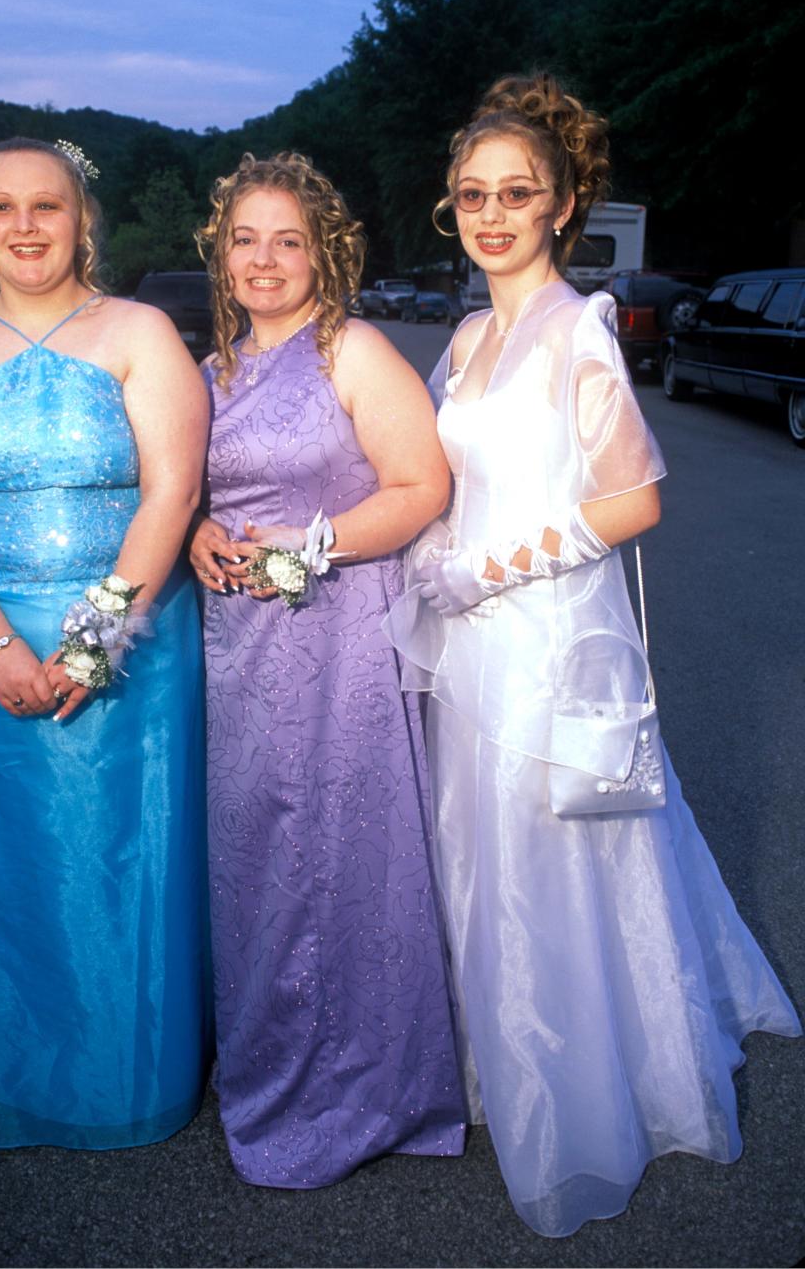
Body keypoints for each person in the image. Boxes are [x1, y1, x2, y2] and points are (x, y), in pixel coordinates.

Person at [386, 74, 802, 1236]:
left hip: (548, 634)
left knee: (554, 854)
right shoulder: (467, 333)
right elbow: (439, 471)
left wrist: (486, 567)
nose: (493, 213)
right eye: (473, 193)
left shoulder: (581, 326)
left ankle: (578, 1084)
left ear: (566, 205)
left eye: (519, 192)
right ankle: (489, 1056)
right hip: (464, 638)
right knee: (476, 847)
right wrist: (426, 547)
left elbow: (635, 500)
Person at [0, 136, 213, 1149]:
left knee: (122, 854)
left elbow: (174, 489)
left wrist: (94, 637)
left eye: (48, 207)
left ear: (84, 219)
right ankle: (21, 1055)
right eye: (2, 208)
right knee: (10, 859)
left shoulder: (138, 331)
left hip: (132, 637)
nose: (26, 227)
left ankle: (130, 1062)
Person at [189, 151, 465, 1187]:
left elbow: (419, 483)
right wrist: (195, 536)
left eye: (288, 240)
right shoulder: (209, 370)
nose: (265, 259)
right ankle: (270, 1058)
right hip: (240, 650)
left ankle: (361, 1084)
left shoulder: (352, 349)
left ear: (325, 254)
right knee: (258, 857)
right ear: (219, 251)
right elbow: (183, 490)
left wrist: (303, 550)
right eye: (246, 238)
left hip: (341, 634)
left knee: (340, 851)